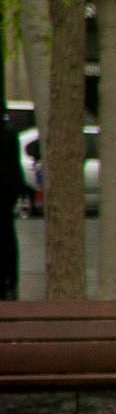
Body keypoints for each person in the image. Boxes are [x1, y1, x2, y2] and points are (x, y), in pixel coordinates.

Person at [0, 114, 24, 300]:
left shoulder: (7, 135)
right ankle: (9, 282)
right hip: (7, 195)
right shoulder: (9, 133)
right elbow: (15, 168)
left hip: (5, 194)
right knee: (7, 238)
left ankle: (7, 282)